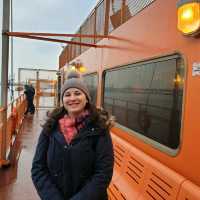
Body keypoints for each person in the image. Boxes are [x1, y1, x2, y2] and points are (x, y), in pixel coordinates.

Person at [31, 70, 114, 200]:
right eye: (67, 94)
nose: (72, 98)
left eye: (77, 93)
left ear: (86, 98)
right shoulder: (50, 127)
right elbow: (38, 168)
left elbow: (103, 173)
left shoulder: (99, 128)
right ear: (62, 100)